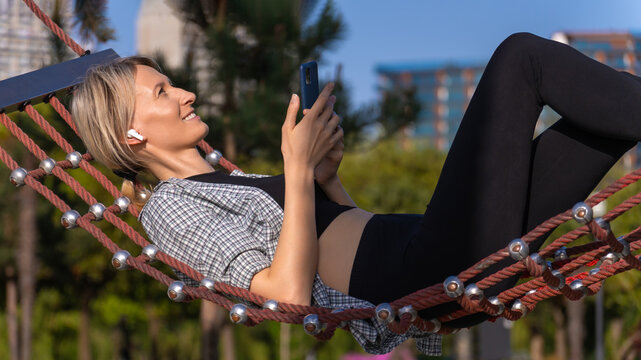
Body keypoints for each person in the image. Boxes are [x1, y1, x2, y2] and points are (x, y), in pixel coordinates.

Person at [71, 32, 640, 355]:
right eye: (164, 91)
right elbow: (284, 294)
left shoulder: (230, 179)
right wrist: (295, 170)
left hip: (429, 252)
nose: (186, 93)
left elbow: (340, 235)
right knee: (522, 58)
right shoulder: (170, 208)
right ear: (132, 133)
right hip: (425, 273)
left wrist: (326, 179)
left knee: (603, 123)